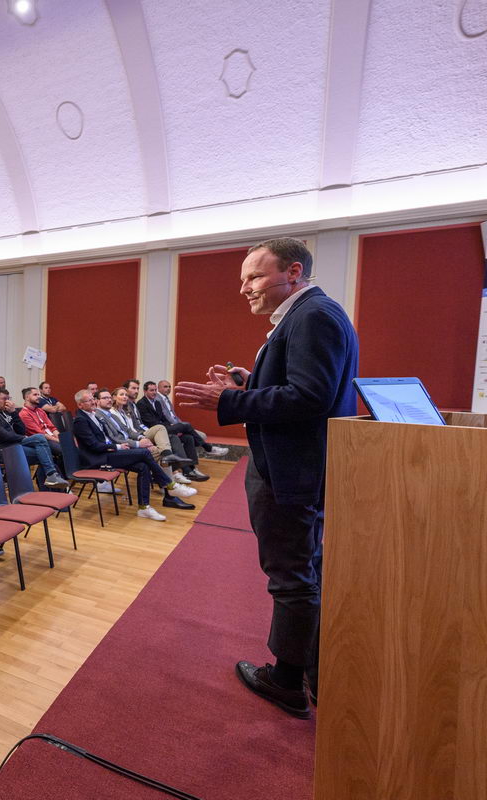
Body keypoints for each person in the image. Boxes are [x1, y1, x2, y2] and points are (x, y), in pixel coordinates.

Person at [175, 237, 359, 718]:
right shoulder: (307, 315)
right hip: (292, 465)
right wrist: (247, 382)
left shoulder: (313, 316)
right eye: (243, 280)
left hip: (289, 471)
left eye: (253, 277)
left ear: (293, 272)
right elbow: (298, 388)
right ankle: (313, 668)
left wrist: (229, 402)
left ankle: (286, 680)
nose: (245, 289)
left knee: (292, 575)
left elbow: (308, 398)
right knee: (301, 569)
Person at [71, 390, 196, 519]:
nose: (93, 402)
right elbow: (94, 446)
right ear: (80, 405)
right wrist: (118, 447)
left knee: (143, 466)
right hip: (98, 459)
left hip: (109, 453)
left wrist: (119, 447)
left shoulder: (94, 415)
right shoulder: (80, 421)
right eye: (89, 400)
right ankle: (169, 485)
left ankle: (144, 508)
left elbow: (109, 436)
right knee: (144, 453)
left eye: (92, 399)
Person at [0, 389, 70, 489]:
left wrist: (13, 413)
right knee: (41, 442)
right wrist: (23, 437)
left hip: (13, 445)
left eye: (8, 399)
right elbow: (4, 436)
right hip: (1, 451)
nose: (7, 402)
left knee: (45, 454)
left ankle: (51, 480)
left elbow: (21, 430)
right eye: (4, 399)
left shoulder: (6, 412)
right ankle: (52, 482)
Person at [137, 381, 210, 481]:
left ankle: (191, 469)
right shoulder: (141, 404)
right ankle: (205, 448)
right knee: (186, 426)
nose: (154, 392)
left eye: (155, 390)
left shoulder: (157, 403)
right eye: (151, 390)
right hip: (155, 432)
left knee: (188, 438)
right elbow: (152, 423)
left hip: (165, 428)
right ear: (145, 391)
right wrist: (172, 427)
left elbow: (164, 419)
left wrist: (171, 427)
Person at [157, 379, 230, 458]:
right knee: (192, 433)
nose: (168, 389)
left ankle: (191, 466)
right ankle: (209, 449)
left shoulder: (167, 399)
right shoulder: (157, 399)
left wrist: (180, 426)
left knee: (200, 436)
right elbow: (166, 416)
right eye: (165, 387)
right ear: (158, 388)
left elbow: (174, 416)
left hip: (176, 426)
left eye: (169, 387)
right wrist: (179, 427)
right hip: (168, 427)